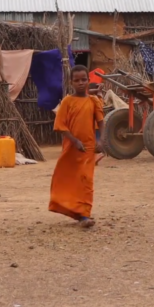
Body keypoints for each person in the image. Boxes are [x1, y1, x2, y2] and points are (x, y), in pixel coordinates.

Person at [50, 65, 105, 228]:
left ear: (89, 81)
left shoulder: (93, 101)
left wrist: (101, 140)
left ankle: (85, 215)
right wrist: (75, 141)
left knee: (86, 180)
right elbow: (60, 126)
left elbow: (101, 122)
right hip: (72, 148)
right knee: (70, 179)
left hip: (88, 148)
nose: (81, 83)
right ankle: (73, 209)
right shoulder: (67, 101)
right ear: (71, 82)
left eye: (83, 80)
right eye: (77, 80)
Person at [89, 82, 106, 165]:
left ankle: (96, 157)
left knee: (96, 143)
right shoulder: (95, 99)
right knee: (96, 143)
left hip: (96, 125)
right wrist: (99, 90)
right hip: (96, 125)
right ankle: (96, 158)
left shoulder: (94, 99)